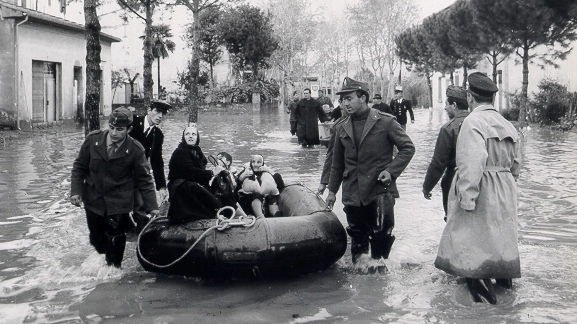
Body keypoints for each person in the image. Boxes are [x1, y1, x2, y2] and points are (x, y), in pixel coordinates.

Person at [434, 72, 521, 305]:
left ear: (470, 97)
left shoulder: (473, 122)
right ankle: (509, 310)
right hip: (504, 188)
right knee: (500, 246)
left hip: (482, 187)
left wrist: (467, 198)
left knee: (472, 252)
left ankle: (485, 312)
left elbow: (471, 163)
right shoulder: (506, 123)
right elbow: (516, 165)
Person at [325, 77, 415, 265]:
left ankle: (380, 282)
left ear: (363, 98)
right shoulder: (341, 127)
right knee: (357, 236)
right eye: (343, 99)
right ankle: (361, 283)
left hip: (379, 189)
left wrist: (391, 171)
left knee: (382, 236)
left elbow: (408, 148)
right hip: (353, 191)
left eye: (349, 98)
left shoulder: (386, 122)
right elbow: (337, 164)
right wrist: (331, 191)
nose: (345, 103)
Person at [70, 107, 159, 268]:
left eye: (119, 129)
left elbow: (144, 180)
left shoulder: (135, 149)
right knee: (96, 240)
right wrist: (75, 191)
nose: (114, 133)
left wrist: (152, 207)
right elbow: (79, 167)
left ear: (129, 129)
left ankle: (114, 271)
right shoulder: (93, 140)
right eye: (111, 128)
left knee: (117, 237)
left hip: (119, 201)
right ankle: (105, 259)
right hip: (94, 199)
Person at [422, 85, 470, 221]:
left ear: (454, 105)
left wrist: (427, 187)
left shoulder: (448, 128)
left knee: (452, 223)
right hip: (480, 181)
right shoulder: (481, 123)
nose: (444, 108)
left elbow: (438, 163)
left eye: (446, 104)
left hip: (454, 182)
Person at [166, 126, 230, 223]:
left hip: (191, 183)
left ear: (197, 137)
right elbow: (190, 172)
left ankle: (234, 212)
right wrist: (212, 172)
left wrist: (215, 174)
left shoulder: (197, 151)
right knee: (195, 187)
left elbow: (200, 172)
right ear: (184, 137)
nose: (190, 137)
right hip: (180, 186)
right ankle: (214, 213)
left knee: (218, 186)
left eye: (193, 134)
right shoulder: (179, 152)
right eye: (187, 134)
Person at [129, 99, 171, 232]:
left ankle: (142, 231)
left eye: (163, 114)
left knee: (142, 201)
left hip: (138, 173)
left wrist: (162, 186)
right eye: (157, 111)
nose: (160, 116)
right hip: (121, 170)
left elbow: (157, 161)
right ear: (149, 110)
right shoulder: (133, 123)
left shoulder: (157, 135)